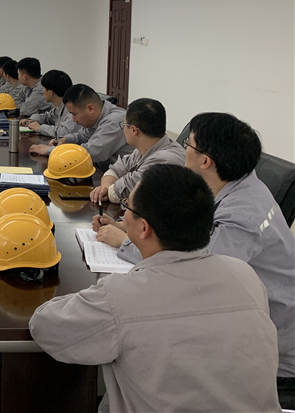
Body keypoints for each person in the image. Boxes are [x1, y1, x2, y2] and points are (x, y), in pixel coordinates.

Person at [31, 165, 281, 413]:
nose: (124, 215)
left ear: (143, 228)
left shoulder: (121, 297)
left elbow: (45, 326)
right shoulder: (246, 276)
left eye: (128, 208)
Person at [100, 113, 295, 390]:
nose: (184, 151)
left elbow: (193, 269)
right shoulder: (240, 185)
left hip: (272, 348)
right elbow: (192, 234)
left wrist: (127, 242)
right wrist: (131, 225)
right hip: (242, 317)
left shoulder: (240, 217)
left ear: (205, 161)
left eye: (188, 145)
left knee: (142, 347)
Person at [88, 98, 184, 203]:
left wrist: (107, 191)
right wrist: (105, 189)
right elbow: (114, 170)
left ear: (134, 130)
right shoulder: (147, 147)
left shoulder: (163, 161)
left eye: (124, 125)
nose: (124, 129)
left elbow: (120, 192)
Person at [30, 84, 132, 167]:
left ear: (91, 109)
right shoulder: (98, 116)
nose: (73, 120)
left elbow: (90, 152)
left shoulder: (114, 121)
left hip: (122, 179)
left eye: (74, 114)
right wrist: (65, 140)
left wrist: (50, 150)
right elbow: (82, 136)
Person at [20, 69, 80, 138]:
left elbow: (64, 132)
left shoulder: (71, 110)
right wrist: (31, 120)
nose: (43, 91)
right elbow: (47, 117)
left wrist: (40, 128)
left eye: (44, 88)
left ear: (51, 92)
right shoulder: (58, 107)